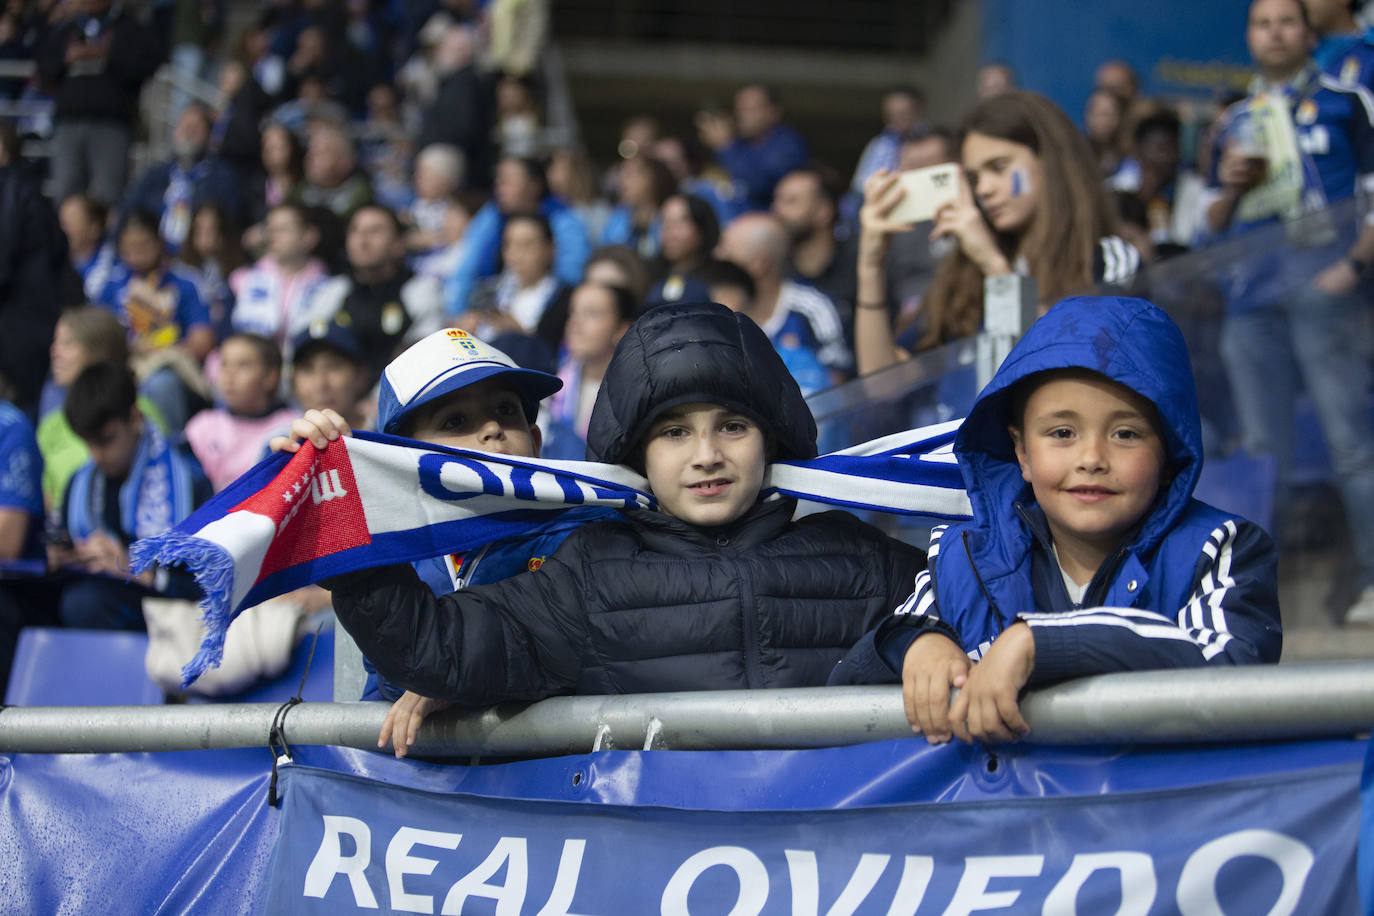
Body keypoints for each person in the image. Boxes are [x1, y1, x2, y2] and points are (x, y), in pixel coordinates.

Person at [310, 302, 925, 754]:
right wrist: (337, 504)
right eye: (674, 432)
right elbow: (434, 648)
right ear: (636, 455)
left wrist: (923, 637)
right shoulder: (591, 573)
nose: (706, 454)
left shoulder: (858, 555)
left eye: (733, 425)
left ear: (774, 435)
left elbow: (984, 598)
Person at [832, 296, 1283, 744]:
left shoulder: (1219, 548)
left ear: (1170, 454)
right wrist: (913, 647)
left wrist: (1044, 644)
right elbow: (845, 689)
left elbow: (1228, 670)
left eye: (1125, 434)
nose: (1091, 458)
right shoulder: (962, 557)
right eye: (1062, 433)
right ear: (1022, 453)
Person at [272, 328, 618, 722]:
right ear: (404, 459)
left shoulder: (585, 535)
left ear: (536, 442)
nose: (492, 429)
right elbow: (383, 680)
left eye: (506, 410)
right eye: (455, 420)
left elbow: (575, 656)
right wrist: (336, 489)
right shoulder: (395, 552)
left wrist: (459, 682)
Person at [1205, 0, 1374, 625]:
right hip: (1253, 300)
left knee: (1351, 442)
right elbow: (1208, 229)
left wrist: (1350, 268)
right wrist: (1228, 188)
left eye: (1286, 21)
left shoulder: (1346, 101)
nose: (1274, 32)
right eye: (1261, 22)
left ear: (1309, 33)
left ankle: (1371, 585)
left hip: (1325, 290)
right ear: (1249, 37)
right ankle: (1252, 600)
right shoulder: (1234, 121)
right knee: (1261, 451)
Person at [853, 90, 1141, 376]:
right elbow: (883, 387)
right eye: (975, 177)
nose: (983, 189)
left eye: (999, 167)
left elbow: (1069, 366)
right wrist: (870, 267)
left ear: (1050, 160)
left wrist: (994, 266)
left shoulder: (1107, 259)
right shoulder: (962, 274)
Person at [52, 362, 210, 630]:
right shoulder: (80, 482)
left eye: (106, 441)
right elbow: (63, 544)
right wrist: (65, 557)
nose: (96, 455)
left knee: (84, 604)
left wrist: (133, 568)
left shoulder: (187, 481)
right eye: (88, 443)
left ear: (134, 418)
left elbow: (208, 583)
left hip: (168, 614)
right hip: (96, 596)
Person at [296, 203, 444, 385]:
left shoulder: (421, 290)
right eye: (355, 231)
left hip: (399, 398)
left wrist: (378, 399)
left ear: (398, 244)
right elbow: (301, 345)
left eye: (375, 231)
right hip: (339, 399)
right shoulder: (332, 291)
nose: (362, 241)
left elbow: (423, 358)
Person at [38, 307, 166, 509]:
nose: (54, 352)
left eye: (68, 343)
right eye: (56, 342)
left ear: (100, 350)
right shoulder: (51, 424)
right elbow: (47, 499)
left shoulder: (138, 411)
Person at [35, 0, 161, 206]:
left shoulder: (128, 28)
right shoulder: (68, 28)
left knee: (108, 195)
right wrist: (67, 57)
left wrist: (107, 55)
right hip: (68, 124)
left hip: (111, 125)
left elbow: (148, 64)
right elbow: (44, 68)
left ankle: (106, 238)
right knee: (66, 193)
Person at [716, 211, 852, 392]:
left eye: (727, 254)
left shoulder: (812, 309)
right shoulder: (719, 316)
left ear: (759, 263)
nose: (717, 257)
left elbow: (838, 391)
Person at [443, 155, 592, 315]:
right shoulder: (492, 214)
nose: (500, 185)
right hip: (495, 297)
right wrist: (457, 314)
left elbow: (571, 275)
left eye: (509, 180)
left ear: (534, 185)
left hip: (546, 305)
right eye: (499, 179)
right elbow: (467, 266)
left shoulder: (564, 219)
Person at [119, 103, 244, 255]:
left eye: (195, 128)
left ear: (209, 135)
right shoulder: (155, 175)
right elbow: (128, 212)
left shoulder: (222, 177)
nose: (188, 133)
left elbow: (228, 222)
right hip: (153, 256)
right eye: (184, 126)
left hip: (198, 258)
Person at [184, 333, 297, 492]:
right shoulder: (202, 425)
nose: (229, 374)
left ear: (270, 376)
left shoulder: (291, 427)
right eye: (224, 364)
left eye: (243, 365)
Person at [545, 282, 636, 457]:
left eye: (592, 313)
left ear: (621, 329)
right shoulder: (554, 384)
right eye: (573, 312)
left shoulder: (632, 394)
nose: (575, 323)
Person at [229, 202, 327, 351]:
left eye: (282, 229)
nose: (272, 236)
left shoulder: (327, 286)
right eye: (270, 229)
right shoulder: (241, 280)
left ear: (309, 236)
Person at [696, 84, 810, 211]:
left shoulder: (787, 144)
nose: (741, 116)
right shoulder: (739, 144)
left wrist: (726, 147)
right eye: (739, 109)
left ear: (773, 112)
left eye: (750, 109)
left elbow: (759, 185)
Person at [773, 167, 859, 332]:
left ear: (823, 211)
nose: (777, 210)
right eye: (776, 200)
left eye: (790, 201)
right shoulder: (774, 269)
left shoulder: (859, 263)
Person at [461, 213, 566, 340]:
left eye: (526, 245)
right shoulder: (487, 291)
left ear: (550, 249)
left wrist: (518, 333)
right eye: (509, 244)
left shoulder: (564, 299)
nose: (516, 253)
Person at [645, 192, 721, 308]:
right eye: (665, 222)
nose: (670, 232)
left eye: (680, 222)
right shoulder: (649, 275)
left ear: (702, 227)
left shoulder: (721, 278)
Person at [850, 87, 927, 198]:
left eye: (904, 113)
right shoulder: (879, 145)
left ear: (918, 111)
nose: (898, 119)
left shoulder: (932, 141)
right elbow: (860, 184)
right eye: (892, 115)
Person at [600, 153, 675, 260]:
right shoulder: (616, 218)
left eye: (630, 175)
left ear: (654, 179)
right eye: (622, 174)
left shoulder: (671, 217)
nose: (622, 181)